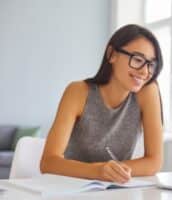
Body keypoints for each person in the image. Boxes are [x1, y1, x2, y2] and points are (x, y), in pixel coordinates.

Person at [40, 24, 164, 184]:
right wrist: (98, 171)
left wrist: (112, 172)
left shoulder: (147, 91)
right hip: (73, 189)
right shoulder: (77, 92)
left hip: (114, 190)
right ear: (112, 54)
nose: (145, 72)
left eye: (150, 64)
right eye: (138, 59)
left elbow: (154, 162)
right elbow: (48, 163)